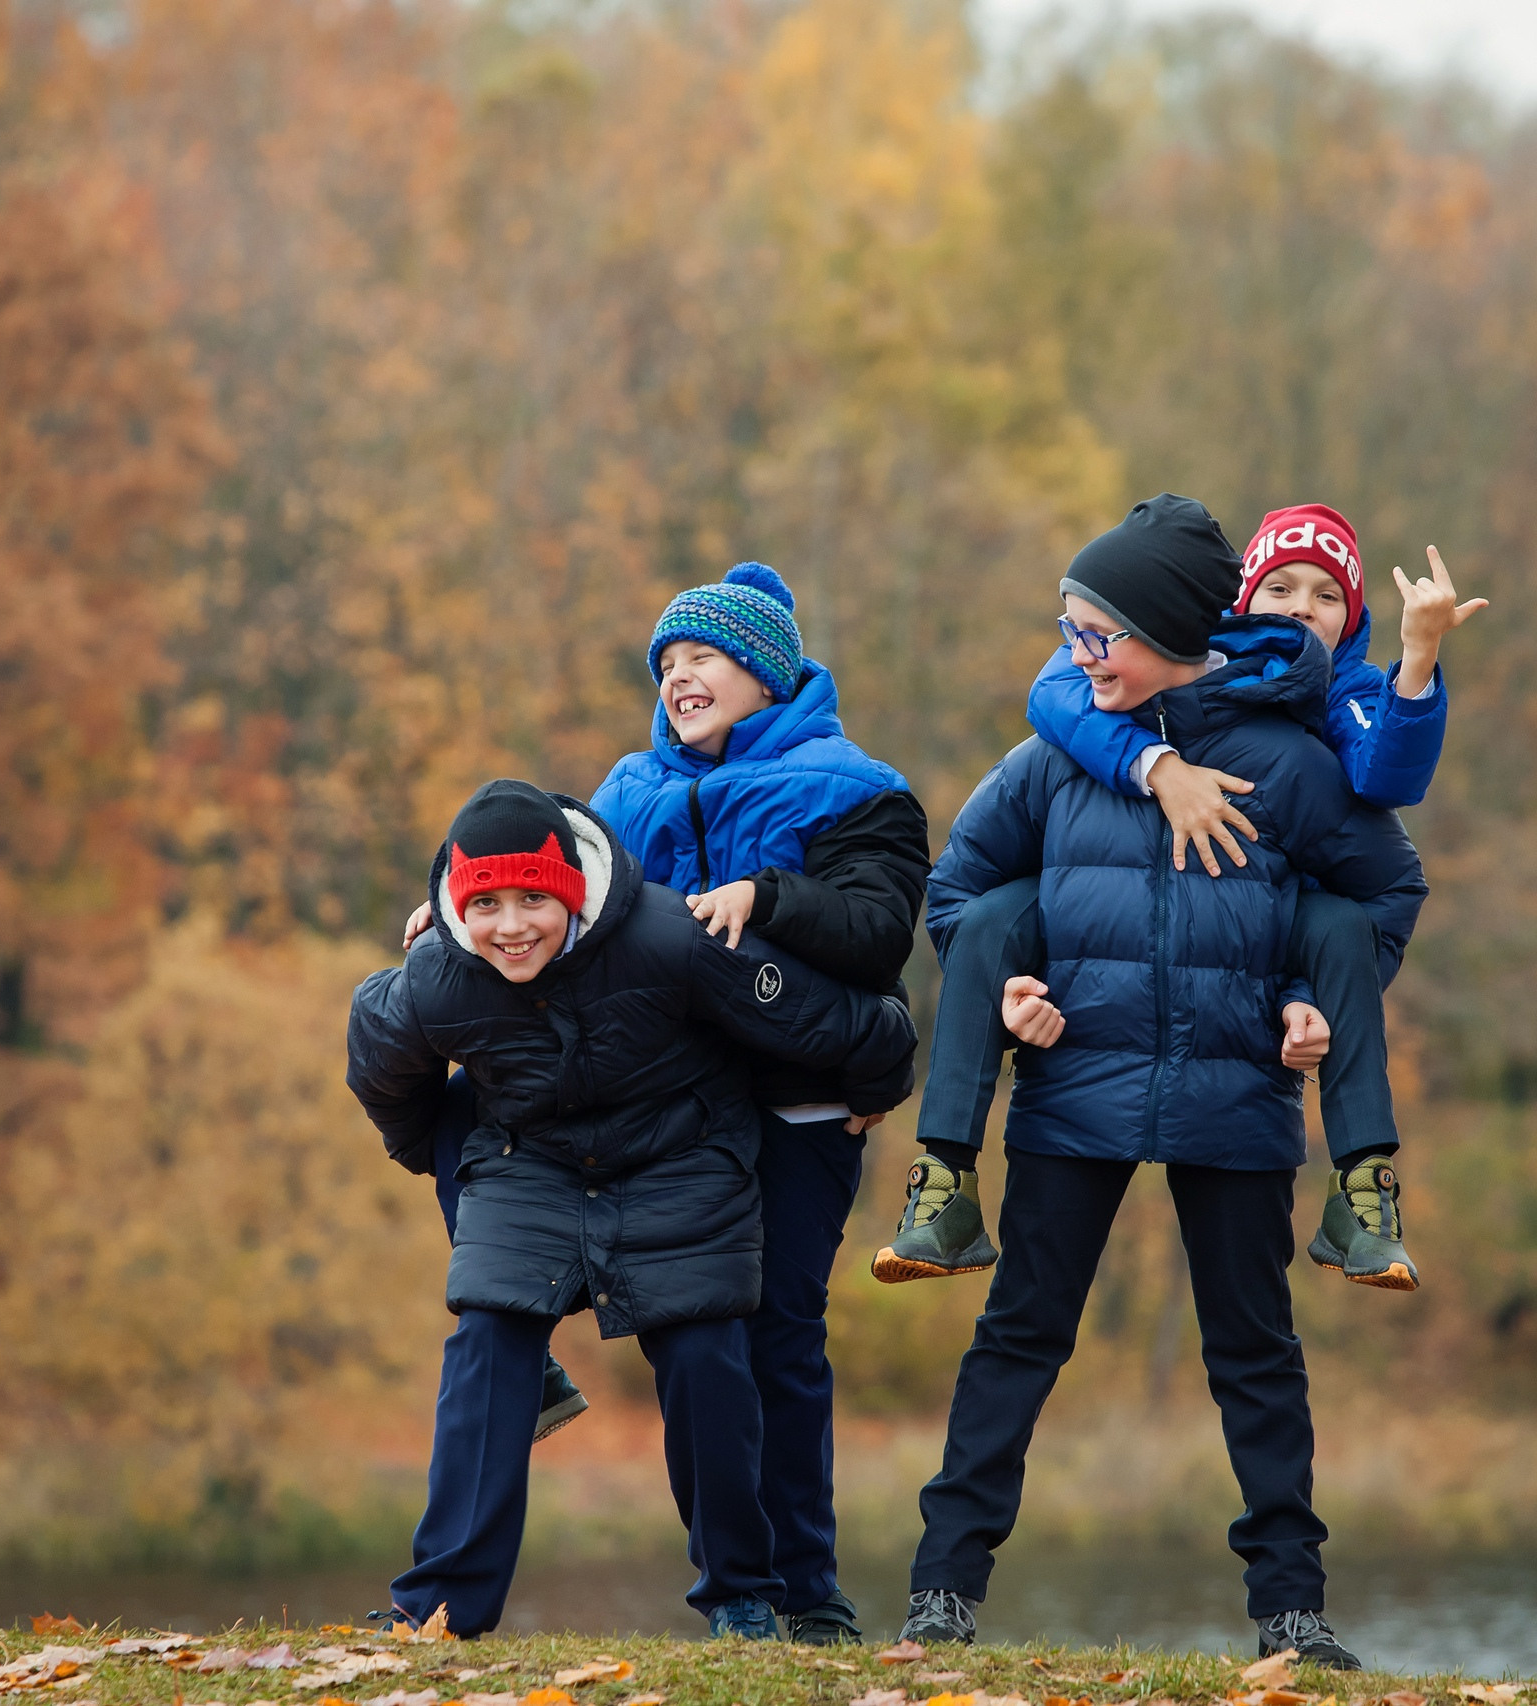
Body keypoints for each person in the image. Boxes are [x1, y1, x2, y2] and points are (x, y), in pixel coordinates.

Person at [896, 495, 1426, 1665]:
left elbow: (1384, 893)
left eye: (1098, 636)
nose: (1078, 656)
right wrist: (1006, 994)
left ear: (1175, 631)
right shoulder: (1057, 756)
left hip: (1235, 1091)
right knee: (1020, 1334)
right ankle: (942, 1593)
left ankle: (1291, 1613)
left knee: (1254, 1353)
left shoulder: (1289, 766)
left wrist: (1312, 1000)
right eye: (1070, 633)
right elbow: (959, 896)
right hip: (1072, 1087)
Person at [399, 562, 928, 1645]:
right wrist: (458, 900)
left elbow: (880, 933)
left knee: (771, 1333)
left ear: (767, 671)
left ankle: (798, 1592)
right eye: (669, 662)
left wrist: (768, 896)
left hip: (794, 1094)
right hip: (669, 1104)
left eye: (706, 656)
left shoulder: (854, 787)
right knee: (468, 1114)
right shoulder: (628, 789)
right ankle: (524, 1362)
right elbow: (563, 892)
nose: (682, 675)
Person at [878, 502, 1481, 1292]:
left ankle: (1365, 1189)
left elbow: (1388, 784)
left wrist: (1419, 656)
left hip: (1264, 945)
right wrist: (1157, 766)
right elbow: (1057, 693)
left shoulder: (1338, 699)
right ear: (1232, 608)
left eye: (1327, 595)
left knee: (1337, 926)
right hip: (1103, 993)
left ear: (1353, 616)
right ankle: (945, 1174)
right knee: (993, 916)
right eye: (1281, 589)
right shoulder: (1138, 675)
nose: (1301, 608)